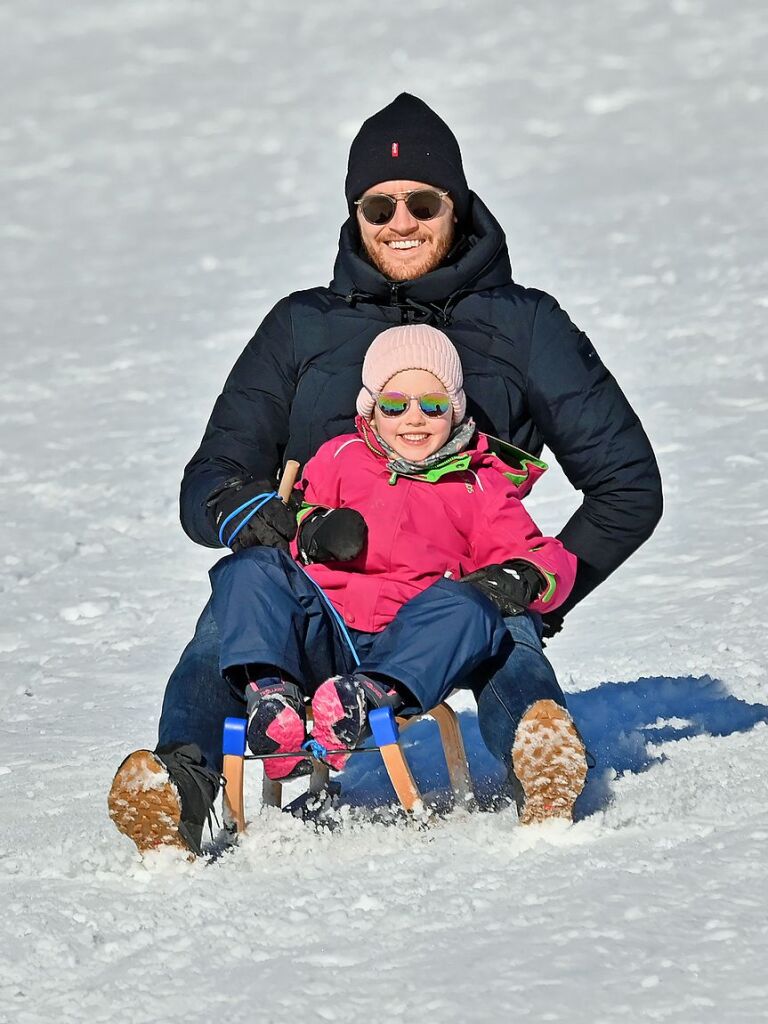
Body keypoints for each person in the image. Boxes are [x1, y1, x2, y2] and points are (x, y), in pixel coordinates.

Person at [108, 93, 662, 856]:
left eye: (423, 201)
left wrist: (526, 586)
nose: (400, 220)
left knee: (495, 629)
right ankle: (179, 786)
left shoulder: (525, 325)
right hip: (319, 601)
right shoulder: (302, 326)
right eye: (378, 205)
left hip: (449, 592)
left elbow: (628, 486)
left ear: (457, 206)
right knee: (239, 600)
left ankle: (542, 760)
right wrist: (269, 520)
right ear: (354, 215)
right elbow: (211, 479)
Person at [208, 324, 578, 798]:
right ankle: (272, 699)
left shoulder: (478, 484)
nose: (414, 419)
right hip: (326, 628)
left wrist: (525, 575)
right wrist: (313, 526)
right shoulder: (338, 457)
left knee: (471, 607)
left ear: (455, 410)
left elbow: (541, 552)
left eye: (434, 405)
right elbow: (291, 518)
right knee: (249, 568)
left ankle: (361, 702)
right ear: (372, 410)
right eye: (396, 405)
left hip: (411, 645)